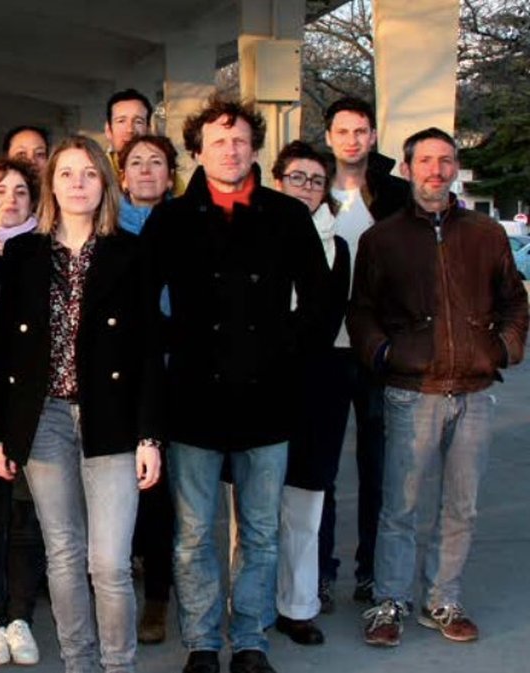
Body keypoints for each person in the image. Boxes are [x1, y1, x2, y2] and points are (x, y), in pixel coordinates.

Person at [139, 96, 329, 673]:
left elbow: (320, 302)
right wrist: (178, 340)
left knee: (261, 532)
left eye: (241, 140)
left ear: (255, 149)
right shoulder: (171, 219)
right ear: (197, 152)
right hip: (193, 398)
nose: (231, 150)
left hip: (267, 397)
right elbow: (140, 303)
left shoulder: (287, 215)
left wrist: (284, 348)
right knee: (194, 534)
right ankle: (201, 642)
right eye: (219, 141)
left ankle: (250, 640)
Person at [0, 136, 163, 673]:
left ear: (105, 183)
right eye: (66, 174)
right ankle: (78, 663)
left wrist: (149, 436)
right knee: (63, 554)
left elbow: (148, 350)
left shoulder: (131, 253)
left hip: (112, 419)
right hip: (42, 419)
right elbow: (6, 347)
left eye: (89, 173)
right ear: (51, 184)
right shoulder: (23, 254)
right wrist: (4, 432)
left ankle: (118, 665)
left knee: (109, 563)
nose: (78, 184)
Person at [350, 128, 528, 648]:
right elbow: (362, 312)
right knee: (399, 506)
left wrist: (502, 349)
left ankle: (442, 599)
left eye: (445, 160)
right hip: (412, 391)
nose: (436, 169)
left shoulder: (486, 234)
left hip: (473, 390)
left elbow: (514, 302)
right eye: (425, 160)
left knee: (461, 506)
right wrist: (385, 354)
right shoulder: (381, 239)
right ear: (407, 168)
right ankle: (389, 601)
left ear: (454, 168)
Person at [318, 96, 409, 609]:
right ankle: (321, 572)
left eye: (361, 131)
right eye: (342, 131)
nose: (352, 140)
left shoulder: (394, 195)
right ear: (328, 137)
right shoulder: (311, 189)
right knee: (322, 471)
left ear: (372, 136)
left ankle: (371, 572)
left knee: (377, 469)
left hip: (378, 352)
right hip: (326, 351)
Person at [269, 141, 350, 646]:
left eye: (316, 180)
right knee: (252, 506)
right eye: (296, 177)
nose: (306, 188)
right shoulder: (251, 235)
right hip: (256, 385)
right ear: (277, 181)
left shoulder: (337, 247)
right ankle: (250, 603)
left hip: (315, 385)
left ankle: (297, 606)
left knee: (305, 504)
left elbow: (325, 317)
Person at [0, 157, 45, 667]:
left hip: (30, 405)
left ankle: (21, 616)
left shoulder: (44, 254)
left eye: (20, 191)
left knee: (25, 517)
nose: (10, 200)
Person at [114, 133, 179, 645]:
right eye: (135, 162)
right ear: (122, 176)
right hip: (122, 372)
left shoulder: (186, 225)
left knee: (164, 491)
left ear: (171, 175)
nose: (145, 170)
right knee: (126, 485)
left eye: (156, 162)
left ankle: (158, 596)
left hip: (179, 369)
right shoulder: (107, 227)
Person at [104, 88, 153, 181]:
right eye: (121, 121)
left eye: (138, 122)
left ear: (149, 130)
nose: (130, 130)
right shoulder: (98, 171)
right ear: (108, 130)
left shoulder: (163, 173)